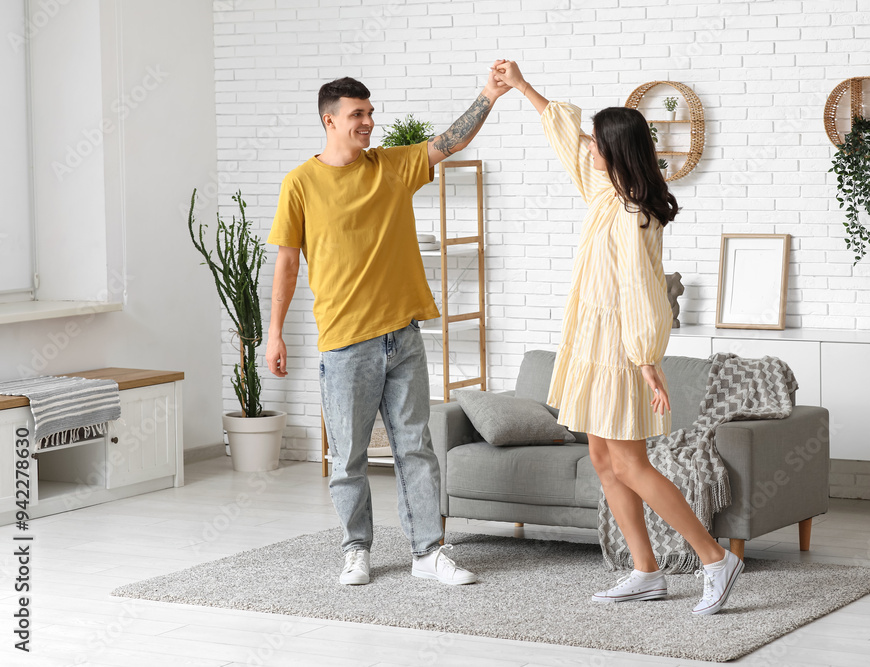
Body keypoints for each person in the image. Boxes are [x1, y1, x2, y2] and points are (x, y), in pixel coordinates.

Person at [492, 60, 743, 615]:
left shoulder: (632, 213)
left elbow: (641, 291)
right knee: (605, 460)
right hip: (594, 343)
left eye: (598, 143)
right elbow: (568, 136)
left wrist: (647, 359)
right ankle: (645, 571)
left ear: (616, 151)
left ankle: (714, 559)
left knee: (630, 464)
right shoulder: (606, 190)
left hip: (623, 349)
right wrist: (522, 86)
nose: (587, 147)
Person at [265, 69, 510, 587]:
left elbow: (450, 140)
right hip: (345, 342)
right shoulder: (300, 184)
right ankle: (356, 549)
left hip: (402, 337)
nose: (369, 123)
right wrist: (274, 332)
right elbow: (286, 264)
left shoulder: (393, 167)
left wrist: (489, 95)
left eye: (370, 114)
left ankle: (428, 552)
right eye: (358, 115)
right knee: (349, 457)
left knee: (415, 447)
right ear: (329, 120)